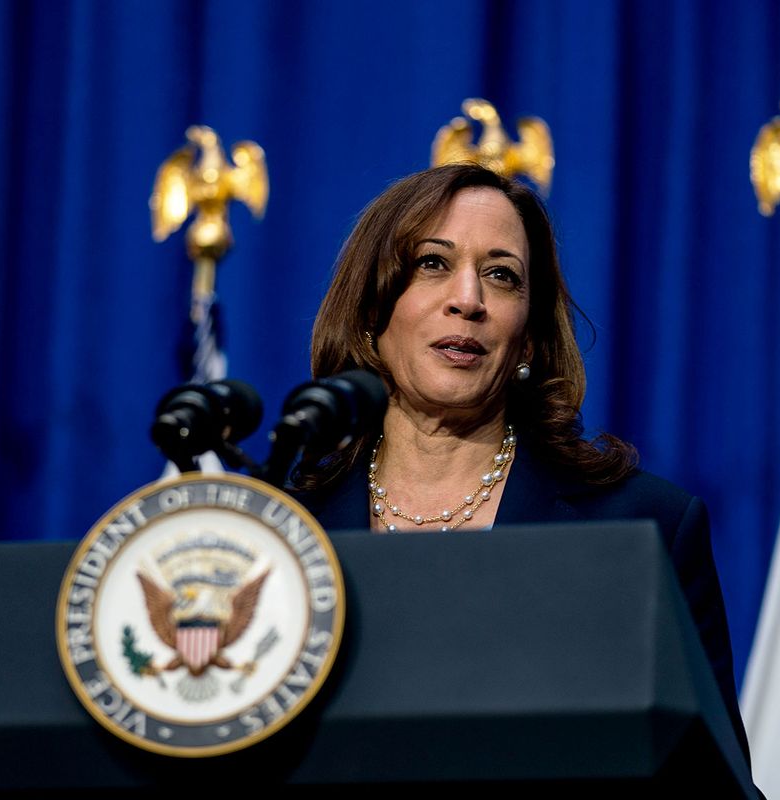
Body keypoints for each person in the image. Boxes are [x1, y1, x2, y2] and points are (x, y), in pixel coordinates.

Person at [293, 162, 754, 775]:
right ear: (372, 313)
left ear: (529, 339)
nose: (468, 300)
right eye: (433, 263)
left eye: (501, 276)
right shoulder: (284, 534)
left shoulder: (643, 530)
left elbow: (711, 781)